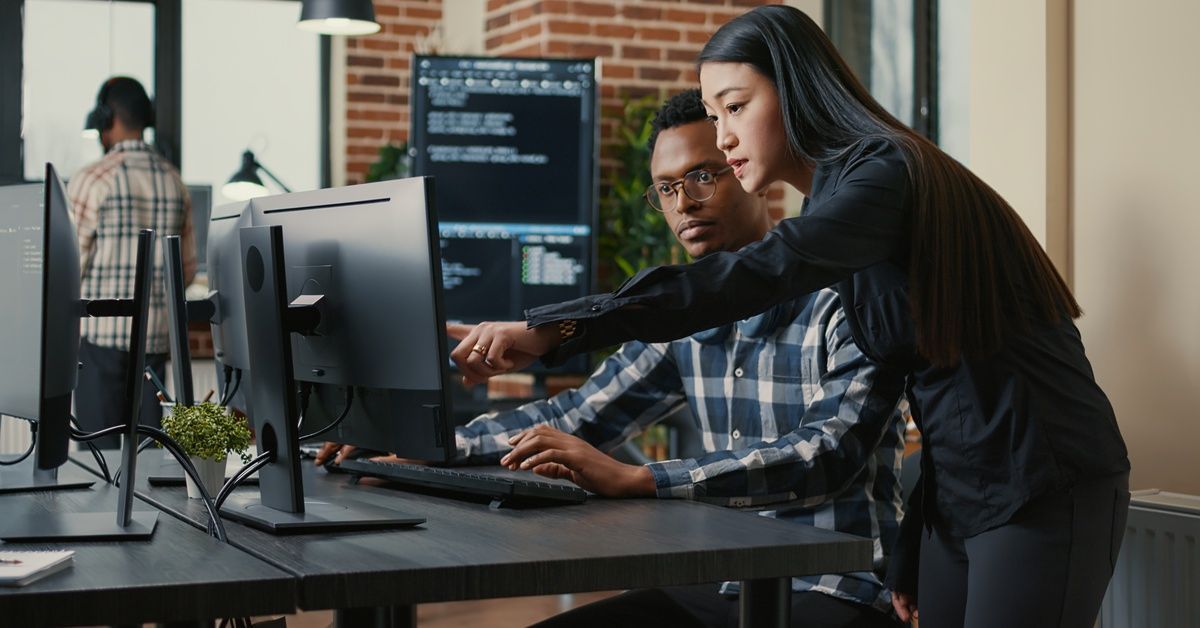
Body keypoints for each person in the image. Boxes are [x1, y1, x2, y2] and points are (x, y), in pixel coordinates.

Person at [447, 6, 1131, 628]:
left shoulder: (883, 173)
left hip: (1044, 477)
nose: (726, 136)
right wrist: (919, 538)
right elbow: (938, 381)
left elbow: (765, 271)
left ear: (796, 88)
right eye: (715, 116)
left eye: (736, 107)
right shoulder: (847, 203)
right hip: (960, 494)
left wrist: (562, 326)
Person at [320, 89, 906, 627]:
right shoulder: (680, 319)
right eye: (668, 189)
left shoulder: (846, 297)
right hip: (727, 584)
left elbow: (828, 452)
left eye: (703, 177)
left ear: (748, 172)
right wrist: (415, 447)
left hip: (837, 588)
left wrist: (640, 478)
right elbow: (577, 416)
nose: (684, 204)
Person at [69, 76, 196, 448]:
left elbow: (68, 270)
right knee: (150, 469)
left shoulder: (92, 179)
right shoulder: (175, 181)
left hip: (100, 346)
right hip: (153, 348)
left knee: (99, 468)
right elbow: (185, 271)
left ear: (107, 120)